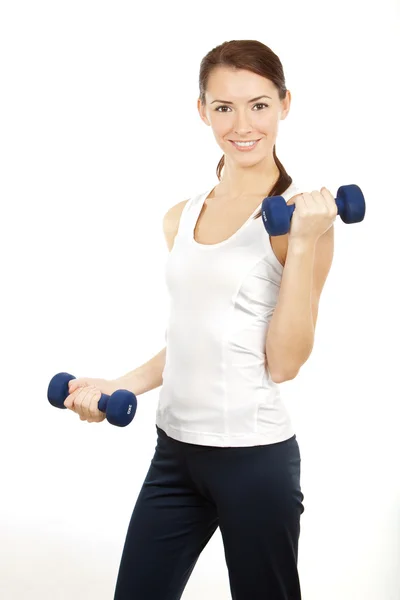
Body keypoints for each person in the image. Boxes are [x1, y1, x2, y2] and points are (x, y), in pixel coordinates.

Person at [65, 39, 336, 600]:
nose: (243, 124)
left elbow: (284, 364)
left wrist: (304, 244)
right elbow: (197, 339)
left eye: (259, 105)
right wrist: (118, 384)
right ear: (202, 110)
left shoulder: (304, 222)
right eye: (224, 107)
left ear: (286, 104)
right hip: (175, 454)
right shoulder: (180, 217)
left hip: (254, 460)